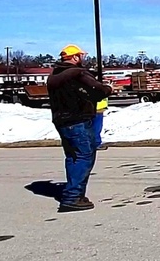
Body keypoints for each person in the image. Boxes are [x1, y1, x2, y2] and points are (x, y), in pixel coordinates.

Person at [46, 44, 113, 213]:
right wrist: (109, 88)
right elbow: (98, 90)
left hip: (61, 121)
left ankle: (75, 193)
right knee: (84, 157)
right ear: (75, 57)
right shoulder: (78, 73)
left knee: (72, 156)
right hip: (79, 120)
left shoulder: (53, 76)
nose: (82, 59)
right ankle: (72, 197)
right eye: (80, 56)